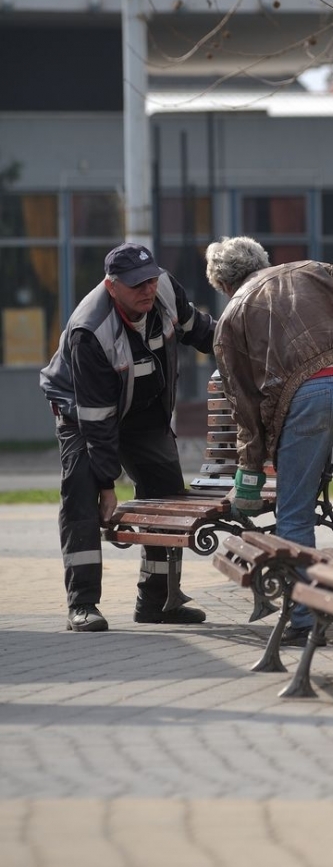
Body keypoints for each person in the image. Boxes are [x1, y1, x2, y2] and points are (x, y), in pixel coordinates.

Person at [205, 236, 333, 646]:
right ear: (263, 260)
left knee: (295, 514)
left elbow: (244, 407)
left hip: (306, 398)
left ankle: (305, 621)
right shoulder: (314, 270)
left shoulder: (232, 316)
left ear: (222, 285)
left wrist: (249, 473)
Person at [40, 243, 216, 631]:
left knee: (167, 493)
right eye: (137, 284)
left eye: (150, 279)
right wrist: (107, 484)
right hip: (82, 412)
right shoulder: (90, 330)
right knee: (82, 493)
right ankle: (82, 605)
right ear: (112, 285)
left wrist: (242, 345)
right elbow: (97, 422)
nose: (147, 290)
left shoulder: (165, 290)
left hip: (142, 410)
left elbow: (200, 332)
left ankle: (157, 601)